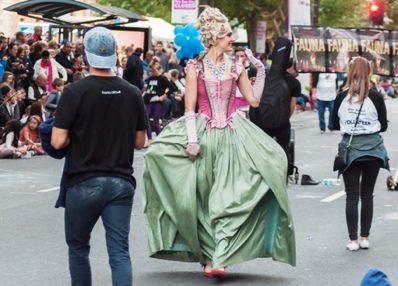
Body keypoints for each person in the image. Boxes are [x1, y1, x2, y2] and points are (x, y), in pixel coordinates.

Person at [142, 7, 296, 278]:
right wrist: (191, 140)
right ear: (214, 37)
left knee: (231, 196)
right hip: (201, 134)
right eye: (227, 34)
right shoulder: (194, 67)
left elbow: (254, 101)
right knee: (199, 198)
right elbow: (189, 107)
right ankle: (207, 256)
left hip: (233, 134)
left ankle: (222, 254)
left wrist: (259, 70)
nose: (232, 39)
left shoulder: (236, 65)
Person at [51, 27, 148, 286]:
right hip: (120, 182)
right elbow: (140, 142)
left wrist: (79, 134)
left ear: (85, 54)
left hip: (83, 181)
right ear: (115, 56)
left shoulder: (74, 92)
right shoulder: (132, 92)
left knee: (79, 249)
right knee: (119, 253)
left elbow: (58, 140)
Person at [332, 57, 389, 251]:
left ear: (349, 72)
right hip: (373, 149)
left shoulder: (341, 97)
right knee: (367, 194)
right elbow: (383, 126)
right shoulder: (376, 97)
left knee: (352, 196)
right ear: (370, 72)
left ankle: (352, 240)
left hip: (350, 150)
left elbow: (333, 124)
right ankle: (365, 237)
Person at [142, 57, 176, 148]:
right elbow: (148, 90)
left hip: (157, 102)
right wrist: (143, 95)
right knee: (146, 120)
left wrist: (164, 96)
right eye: (150, 71)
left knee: (156, 122)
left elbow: (173, 88)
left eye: (152, 71)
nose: (150, 73)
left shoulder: (162, 79)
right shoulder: (149, 79)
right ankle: (149, 139)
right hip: (148, 101)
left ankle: (160, 140)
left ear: (156, 70)